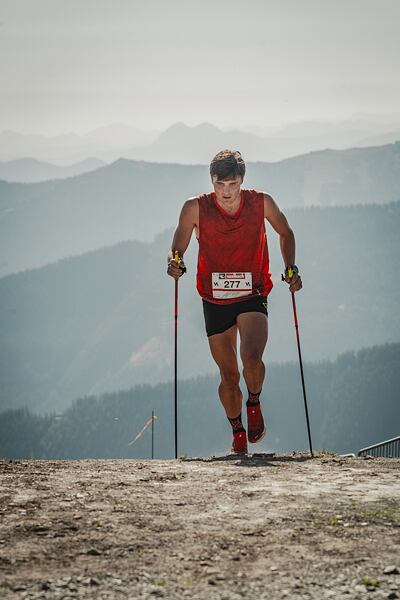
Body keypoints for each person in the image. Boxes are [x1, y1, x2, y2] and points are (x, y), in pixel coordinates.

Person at [167, 149, 302, 455]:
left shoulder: (261, 202)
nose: (226, 192)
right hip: (214, 299)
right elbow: (178, 246)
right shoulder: (194, 208)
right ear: (211, 181)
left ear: (242, 180)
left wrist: (291, 268)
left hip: (252, 293)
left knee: (251, 358)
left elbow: (285, 231)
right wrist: (175, 263)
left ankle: (254, 401)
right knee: (228, 375)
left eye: (233, 184)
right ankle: (237, 430)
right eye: (220, 184)